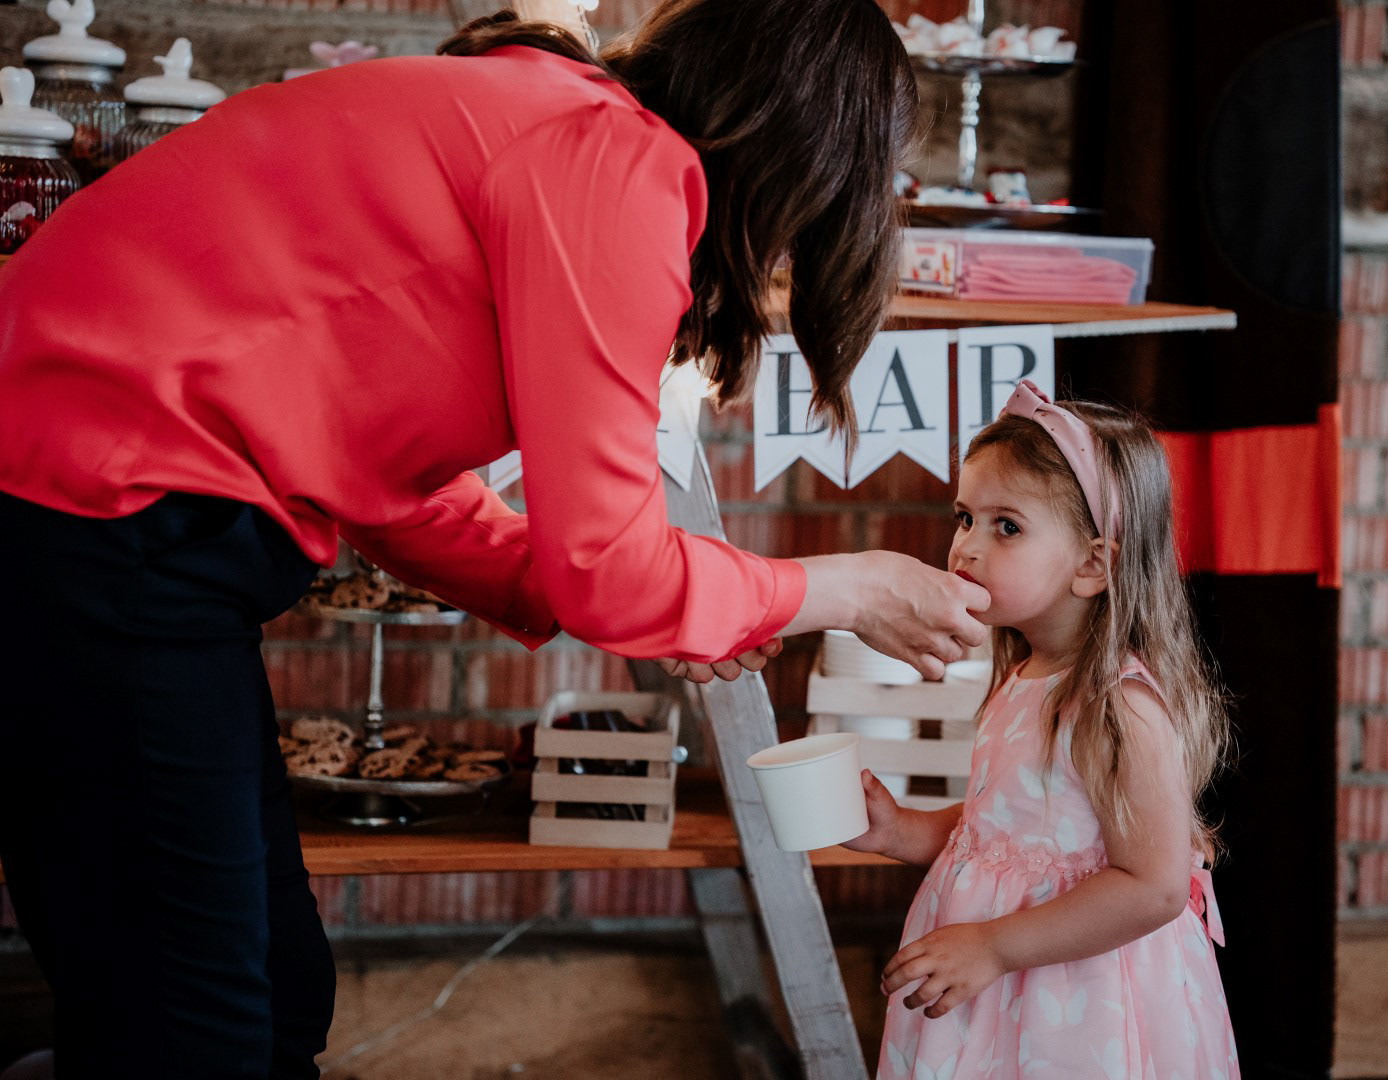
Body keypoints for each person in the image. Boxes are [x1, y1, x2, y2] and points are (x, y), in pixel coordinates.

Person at [0, 3, 988, 1077]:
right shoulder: (616, 162)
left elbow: (400, 496)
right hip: (96, 500)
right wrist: (849, 588)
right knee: (198, 1031)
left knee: (275, 998)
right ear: (809, 148)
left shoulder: (560, 128)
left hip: (104, 511)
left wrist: (671, 603)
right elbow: (609, 568)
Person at [846, 380, 1238, 1078]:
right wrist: (901, 831)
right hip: (999, 987)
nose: (966, 547)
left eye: (1007, 527)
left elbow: (1153, 888)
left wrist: (994, 946)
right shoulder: (1024, 676)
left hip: (1076, 1003)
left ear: (1092, 564)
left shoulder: (1119, 707)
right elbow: (1010, 833)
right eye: (966, 518)